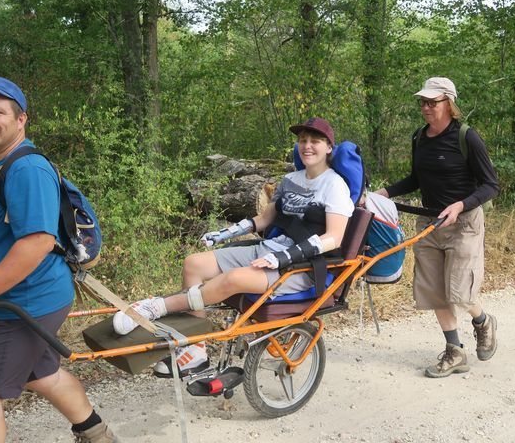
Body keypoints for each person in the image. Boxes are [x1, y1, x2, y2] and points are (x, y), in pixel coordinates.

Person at [0, 76, 118, 443]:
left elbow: (37, 242)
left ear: (21, 120)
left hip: (17, 305)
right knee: (41, 374)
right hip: (20, 299)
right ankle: (97, 435)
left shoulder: (27, 169)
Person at [112, 117, 355, 377]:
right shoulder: (290, 180)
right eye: (303, 140)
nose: (307, 146)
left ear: (329, 147)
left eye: (315, 141)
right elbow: (264, 220)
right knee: (193, 263)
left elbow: (334, 238)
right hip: (271, 250)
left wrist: (284, 257)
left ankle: (155, 307)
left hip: (301, 267)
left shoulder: (334, 185)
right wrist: (223, 234)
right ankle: (195, 350)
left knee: (233, 279)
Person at [375, 77, 500, 378]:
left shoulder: (467, 138)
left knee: (460, 291)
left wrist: (461, 205)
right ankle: (455, 351)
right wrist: (386, 193)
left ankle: (483, 321)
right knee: (435, 292)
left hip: (463, 223)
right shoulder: (420, 137)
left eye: (433, 102)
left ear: (449, 103)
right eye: (423, 102)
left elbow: (491, 185)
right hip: (429, 222)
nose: (426, 107)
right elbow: (416, 179)